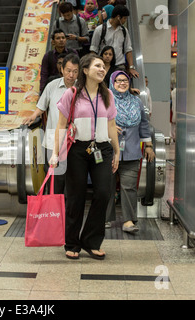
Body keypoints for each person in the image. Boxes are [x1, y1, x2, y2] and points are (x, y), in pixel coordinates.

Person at [49, 54, 120, 260]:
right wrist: (55, 153)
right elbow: (61, 125)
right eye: (97, 65)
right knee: (76, 196)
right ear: (85, 70)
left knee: (104, 193)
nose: (102, 69)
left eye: (103, 66)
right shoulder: (72, 94)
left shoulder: (108, 95)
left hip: (102, 149)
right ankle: (72, 242)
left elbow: (111, 126)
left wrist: (116, 152)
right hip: (77, 149)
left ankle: (91, 240)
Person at [23, 54, 80, 194]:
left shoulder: (81, 88)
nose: (71, 75)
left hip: (75, 141)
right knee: (54, 178)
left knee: (73, 178)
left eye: (75, 71)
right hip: (52, 141)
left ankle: (68, 211)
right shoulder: (52, 86)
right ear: (61, 69)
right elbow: (41, 107)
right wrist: (33, 116)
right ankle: (53, 210)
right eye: (68, 70)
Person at [105, 71, 155, 233]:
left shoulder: (136, 101)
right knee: (106, 186)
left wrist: (148, 145)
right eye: (118, 80)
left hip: (132, 151)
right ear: (113, 82)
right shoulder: (105, 101)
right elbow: (95, 119)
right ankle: (105, 218)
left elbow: (144, 124)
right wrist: (108, 126)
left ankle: (128, 220)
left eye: (125, 80)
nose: (122, 83)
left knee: (129, 187)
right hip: (109, 152)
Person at [90, 5, 139, 78]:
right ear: (118, 17)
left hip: (119, 66)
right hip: (104, 66)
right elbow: (94, 50)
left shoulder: (124, 31)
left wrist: (131, 67)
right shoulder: (100, 30)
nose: (125, 21)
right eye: (124, 18)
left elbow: (128, 49)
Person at [40, 29, 78, 93]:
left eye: (63, 38)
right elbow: (44, 74)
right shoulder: (48, 56)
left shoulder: (73, 53)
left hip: (71, 84)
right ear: (53, 42)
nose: (61, 40)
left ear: (66, 40)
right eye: (58, 38)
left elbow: (78, 70)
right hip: (53, 86)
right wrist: (42, 91)